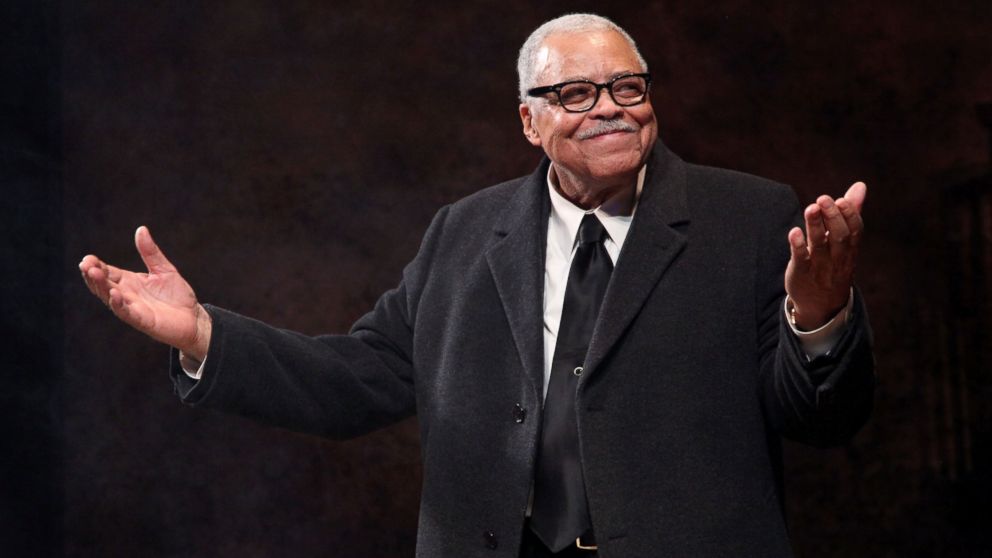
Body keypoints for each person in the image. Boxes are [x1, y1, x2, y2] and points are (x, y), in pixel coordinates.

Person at [80, 13, 874, 558]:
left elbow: (824, 418)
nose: (609, 110)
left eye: (628, 88)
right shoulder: (462, 232)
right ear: (529, 121)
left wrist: (820, 312)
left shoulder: (752, 218)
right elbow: (360, 380)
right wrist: (203, 338)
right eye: (575, 94)